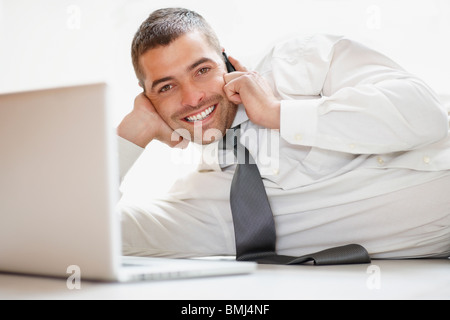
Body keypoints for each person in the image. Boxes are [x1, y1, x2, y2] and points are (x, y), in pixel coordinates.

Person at [117, 7, 450, 259]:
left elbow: (426, 114)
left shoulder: (301, 63)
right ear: (148, 99)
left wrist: (278, 114)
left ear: (227, 63)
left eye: (202, 70)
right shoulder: (209, 201)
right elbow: (82, 236)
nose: (192, 98)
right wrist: (132, 134)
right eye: (166, 87)